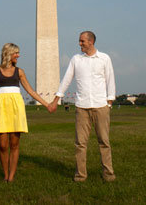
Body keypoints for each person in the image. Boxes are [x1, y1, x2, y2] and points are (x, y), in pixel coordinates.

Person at [49, 31, 116, 182]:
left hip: (100, 106)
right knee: (80, 144)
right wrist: (55, 100)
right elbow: (66, 80)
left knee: (104, 142)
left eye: (82, 41)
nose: (79, 44)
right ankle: (80, 175)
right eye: (80, 41)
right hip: (82, 106)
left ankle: (108, 174)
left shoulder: (104, 58)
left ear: (91, 41)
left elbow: (110, 80)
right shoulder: (76, 59)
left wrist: (109, 102)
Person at [0, 43, 52, 182]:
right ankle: (5, 174)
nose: (18, 55)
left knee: (14, 145)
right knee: (3, 145)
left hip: (16, 108)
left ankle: (11, 177)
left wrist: (47, 104)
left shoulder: (20, 72)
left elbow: (31, 91)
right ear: (8, 54)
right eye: (16, 53)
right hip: (1, 108)